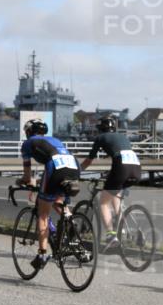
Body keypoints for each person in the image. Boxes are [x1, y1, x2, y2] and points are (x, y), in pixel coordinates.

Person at [17, 119, 81, 271]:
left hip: (54, 168)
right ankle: (70, 220)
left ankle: (42, 254)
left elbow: (27, 176)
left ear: (28, 132)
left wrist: (22, 181)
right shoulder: (55, 140)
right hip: (73, 166)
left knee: (43, 214)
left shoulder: (28, 144)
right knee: (58, 200)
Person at [80, 115, 141, 248]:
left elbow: (88, 161)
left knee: (103, 202)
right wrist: (111, 172)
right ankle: (122, 229)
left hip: (121, 167)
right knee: (115, 194)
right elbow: (120, 156)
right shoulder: (123, 137)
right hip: (136, 167)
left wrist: (78, 171)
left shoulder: (100, 138)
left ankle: (111, 234)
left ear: (101, 129)